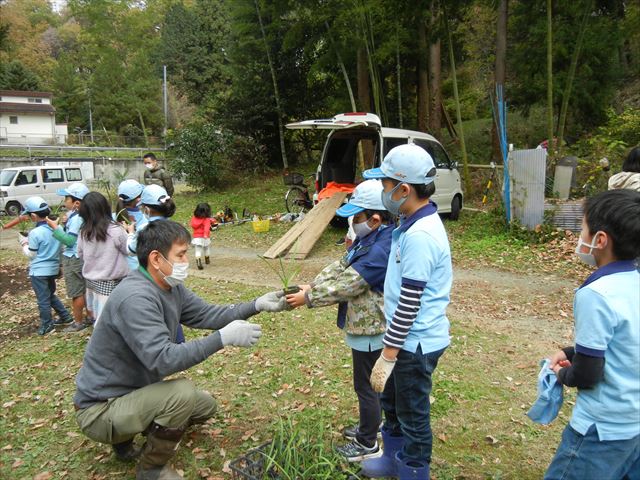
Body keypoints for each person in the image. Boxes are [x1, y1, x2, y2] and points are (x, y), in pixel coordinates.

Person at [72, 220, 289, 480]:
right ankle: (150, 468)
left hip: (132, 393)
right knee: (182, 393)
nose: (186, 260)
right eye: (181, 254)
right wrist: (222, 339)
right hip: (100, 409)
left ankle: (129, 433)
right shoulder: (136, 298)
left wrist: (255, 304)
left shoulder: (169, 287)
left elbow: (207, 314)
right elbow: (163, 360)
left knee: (203, 406)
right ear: (156, 258)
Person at [360, 144, 452, 479]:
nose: (383, 192)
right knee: (393, 403)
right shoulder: (409, 224)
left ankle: (413, 468)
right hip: (404, 339)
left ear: (404, 190)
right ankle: (391, 458)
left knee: (412, 411)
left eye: (385, 186)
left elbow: (411, 303)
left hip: (415, 343)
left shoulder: (422, 237)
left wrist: (388, 354)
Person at [286, 180, 393, 462]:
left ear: (375, 218)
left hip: (372, 328)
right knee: (371, 385)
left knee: (367, 386)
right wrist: (311, 286)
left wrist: (308, 298)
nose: (352, 223)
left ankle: (367, 442)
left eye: (356, 218)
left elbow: (348, 284)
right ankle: (374, 425)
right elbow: (342, 265)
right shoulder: (372, 238)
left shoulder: (380, 250)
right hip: (365, 325)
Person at [544, 189, 640, 480]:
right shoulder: (633, 281)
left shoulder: (595, 294)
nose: (579, 237)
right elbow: (624, 342)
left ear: (600, 240)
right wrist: (572, 351)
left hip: (599, 428)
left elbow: (587, 374)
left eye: (582, 229)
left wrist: (562, 374)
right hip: (633, 425)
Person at [17, 197, 73, 335]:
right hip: (53, 268)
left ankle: (47, 325)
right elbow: (62, 249)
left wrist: (24, 243)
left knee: (43, 299)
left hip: (38, 272)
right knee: (49, 294)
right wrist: (60, 266)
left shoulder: (35, 233)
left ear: (34, 216)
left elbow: (31, 254)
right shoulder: (56, 228)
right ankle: (65, 316)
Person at [47, 182, 94, 332]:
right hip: (80, 256)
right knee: (84, 289)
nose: (64, 201)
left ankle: (78, 322)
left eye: (67, 198)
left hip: (72, 257)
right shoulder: (78, 216)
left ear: (76, 203)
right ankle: (90, 317)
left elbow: (69, 240)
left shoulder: (77, 218)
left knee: (76, 292)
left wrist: (56, 228)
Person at [77, 192, 129, 324]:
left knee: (99, 315)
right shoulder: (115, 230)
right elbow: (127, 249)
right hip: (112, 282)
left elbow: (80, 254)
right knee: (111, 319)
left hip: (91, 281)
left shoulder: (84, 231)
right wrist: (130, 233)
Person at [115, 179, 146, 270]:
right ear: (138, 199)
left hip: (117, 267)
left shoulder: (112, 217)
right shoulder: (143, 220)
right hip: (135, 268)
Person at [190, 203, 212, 270]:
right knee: (206, 248)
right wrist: (205, 234)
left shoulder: (194, 218)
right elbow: (207, 227)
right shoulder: (206, 219)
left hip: (196, 237)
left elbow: (192, 225)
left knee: (198, 250)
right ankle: (207, 259)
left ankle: (198, 261)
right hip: (204, 237)